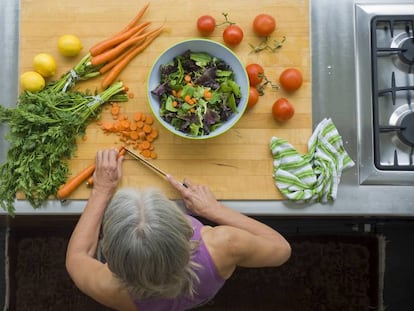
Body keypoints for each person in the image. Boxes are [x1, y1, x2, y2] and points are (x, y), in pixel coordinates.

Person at [66, 148, 291, 310]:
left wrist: (102, 191)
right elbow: (281, 249)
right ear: (184, 229)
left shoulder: (108, 288)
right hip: (202, 290)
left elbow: (77, 256)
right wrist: (214, 210)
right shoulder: (225, 244)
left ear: (111, 260)